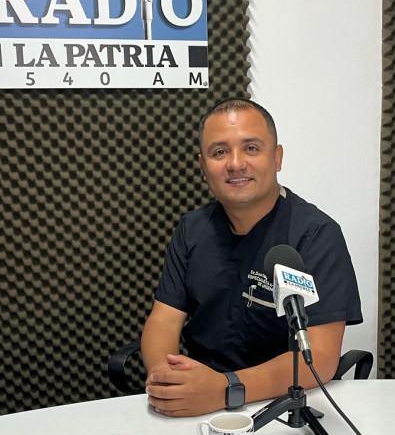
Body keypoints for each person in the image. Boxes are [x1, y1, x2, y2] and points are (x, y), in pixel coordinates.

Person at [142, 98, 362, 417]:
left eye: (251, 148)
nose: (235, 164)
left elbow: (322, 356)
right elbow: (163, 319)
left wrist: (225, 388)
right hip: (201, 401)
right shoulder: (192, 229)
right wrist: (170, 382)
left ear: (277, 158)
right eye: (220, 152)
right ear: (203, 167)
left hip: (284, 402)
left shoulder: (315, 235)